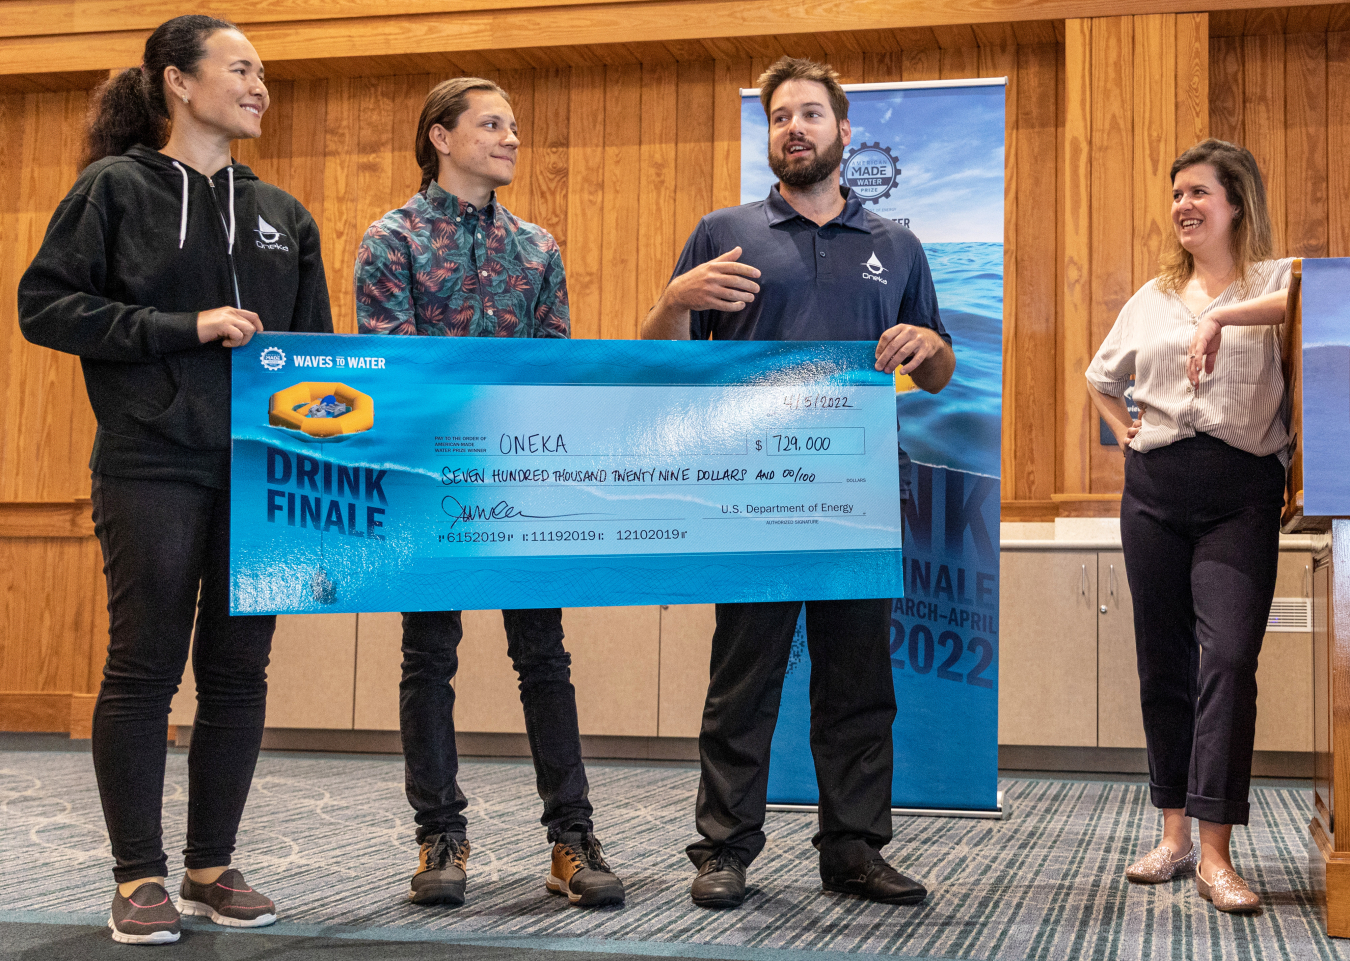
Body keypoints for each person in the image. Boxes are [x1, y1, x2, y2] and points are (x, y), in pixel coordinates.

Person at [17, 15, 332, 945]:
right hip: (150, 461)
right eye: (241, 69)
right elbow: (45, 305)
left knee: (239, 673)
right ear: (177, 83)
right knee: (144, 665)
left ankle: (210, 865)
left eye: (263, 71)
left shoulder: (285, 215)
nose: (259, 86)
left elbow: (314, 362)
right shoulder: (111, 189)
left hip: (258, 470)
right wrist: (180, 327)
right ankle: (137, 876)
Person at [641, 56, 955, 909]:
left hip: (855, 499)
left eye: (811, 114)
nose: (795, 128)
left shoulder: (896, 246)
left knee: (859, 682)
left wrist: (929, 350)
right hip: (748, 495)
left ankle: (852, 848)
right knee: (743, 678)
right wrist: (675, 299)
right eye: (780, 116)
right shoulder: (724, 232)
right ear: (768, 132)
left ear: (843, 132)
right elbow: (654, 361)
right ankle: (722, 848)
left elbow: (939, 368)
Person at [354, 77, 624, 909]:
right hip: (428, 493)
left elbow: (553, 373)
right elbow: (394, 378)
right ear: (440, 135)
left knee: (544, 658)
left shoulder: (537, 247)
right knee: (426, 660)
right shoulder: (389, 240)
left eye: (514, 124)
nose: (511, 136)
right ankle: (440, 834)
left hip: (521, 490)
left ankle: (571, 838)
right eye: (492, 123)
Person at [1086, 138, 1293, 914]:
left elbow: (1309, 303)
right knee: (1162, 664)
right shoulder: (1150, 296)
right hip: (1156, 491)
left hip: (1240, 492)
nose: (1184, 206)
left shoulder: (1276, 279)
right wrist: (1126, 431)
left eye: (1199, 192)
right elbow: (1100, 375)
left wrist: (1220, 319)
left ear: (1236, 200)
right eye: (1177, 194)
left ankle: (1217, 850)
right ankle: (1174, 833)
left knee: (1230, 661)